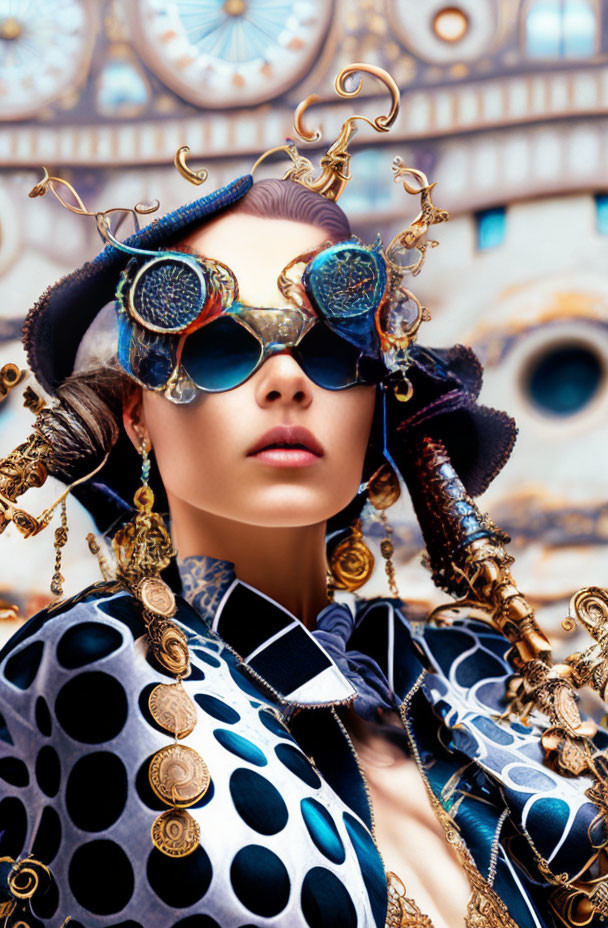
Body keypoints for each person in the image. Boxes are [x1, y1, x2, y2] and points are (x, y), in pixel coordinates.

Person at [0, 64, 606, 928]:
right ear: (137, 421)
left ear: (376, 401)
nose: (286, 381)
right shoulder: (94, 667)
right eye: (216, 349)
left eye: (330, 351)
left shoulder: (476, 683)